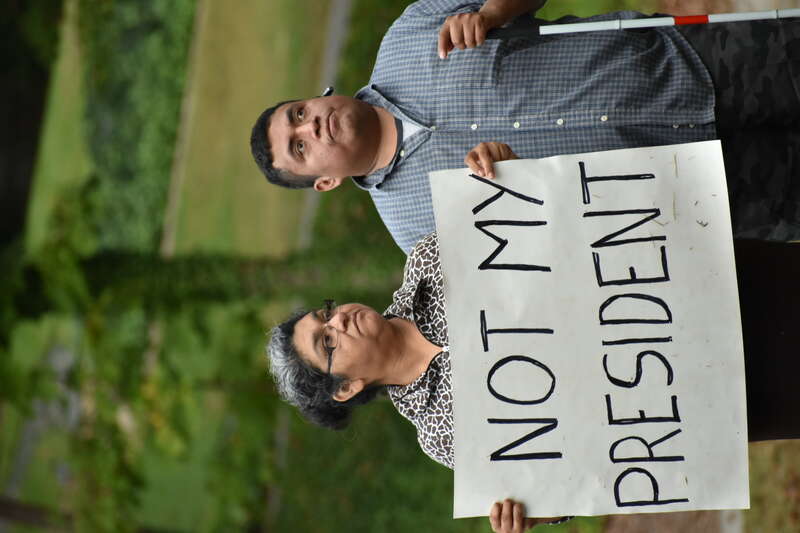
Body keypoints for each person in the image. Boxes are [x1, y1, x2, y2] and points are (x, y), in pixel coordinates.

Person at [267, 232, 800, 532]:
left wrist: (513, 172)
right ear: (347, 389)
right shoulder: (444, 436)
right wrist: (537, 513)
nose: (337, 322)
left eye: (326, 314)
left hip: (702, 289)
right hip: (708, 389)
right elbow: (579, 474)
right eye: (327, 344)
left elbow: (557, 219)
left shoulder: (431, 259)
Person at [251, 0, 800, 253]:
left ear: (316, 97)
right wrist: (521, 200)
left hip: (690, 62)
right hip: (689, 190)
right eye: (299, 148)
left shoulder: (409, 32)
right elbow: (546, 269)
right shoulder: (416, 231)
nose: (313, 127)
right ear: (323, 183)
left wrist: (492, 13)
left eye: (298, 113)